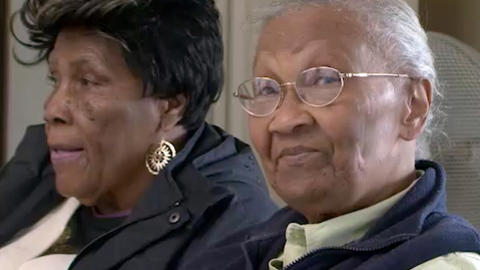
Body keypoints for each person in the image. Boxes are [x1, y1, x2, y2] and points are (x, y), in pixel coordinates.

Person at [184, 0, 480, 269]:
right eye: (267, 89)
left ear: (413, 105)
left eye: (324, 80)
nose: (284, 121)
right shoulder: (254, 247)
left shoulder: (440, 262)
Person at [0, 0, 278, 269]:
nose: (52, 109)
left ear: (170, 107)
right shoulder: (41, 166)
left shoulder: (230, 231)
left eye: (88, 81)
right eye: (55, 79)